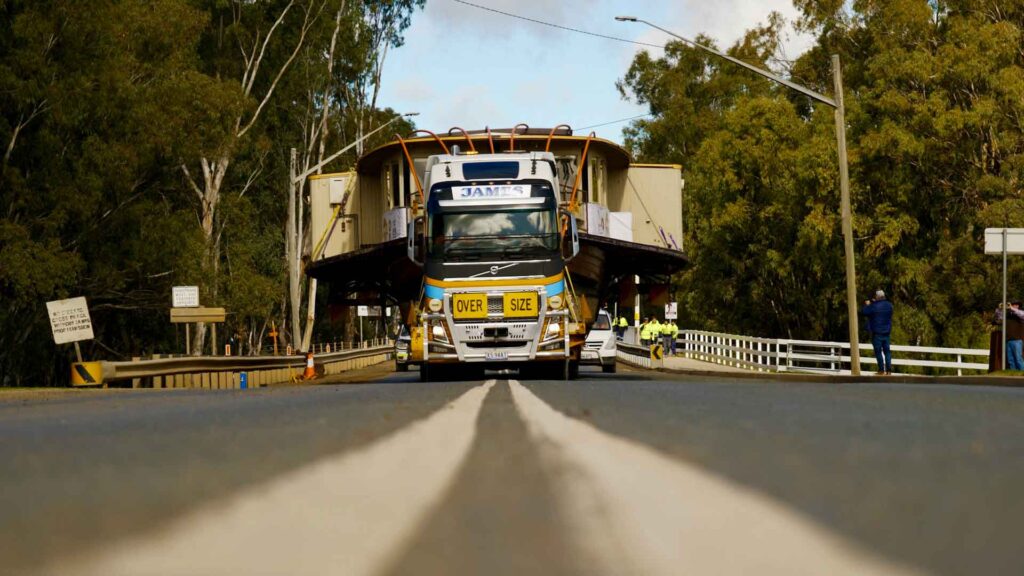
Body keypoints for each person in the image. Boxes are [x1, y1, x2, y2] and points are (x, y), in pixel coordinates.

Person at [861, 290, 894, 375]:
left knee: (878, 351)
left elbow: (865, 312)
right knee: (887, 352)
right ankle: (889, 370)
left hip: (877, 333)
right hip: (886, 332)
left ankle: (881, 370)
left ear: (877, 297)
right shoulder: (889, 305)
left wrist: (867, 305)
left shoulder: (874, 306)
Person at [995, 301, 1024, 370]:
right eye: (1014, 305)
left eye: (1017, 305)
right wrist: (999, 309)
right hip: (1008, 340)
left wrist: (1012, 308)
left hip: (1017, 340)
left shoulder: (1020, 315)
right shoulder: (1007, 315)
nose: (1015, 306)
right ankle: (1013, 375)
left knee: (1018, 359)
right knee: (1011, 360)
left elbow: (1022, 314)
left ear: (1018, 306)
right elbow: (999, 318)